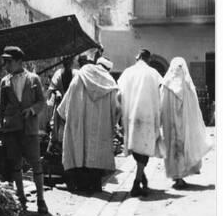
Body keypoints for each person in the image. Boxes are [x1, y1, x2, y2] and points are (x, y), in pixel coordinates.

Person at [0, 46, 49, 214]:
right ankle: (21, 198)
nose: (6, 65)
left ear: (20, 62)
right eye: (5, 62)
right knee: (15, 164)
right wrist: (1, 126)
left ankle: (41, 200)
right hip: (12, 129)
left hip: (29, 129)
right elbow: (1, 107)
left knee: (36, 163)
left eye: (9, 62)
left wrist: (32, 110)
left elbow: (42, 102)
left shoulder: (33, 79)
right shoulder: (5, 81)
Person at [57, 56, 119, 194]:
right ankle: (95, 185)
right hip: (100, 127)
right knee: (96, 153)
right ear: (108, 69)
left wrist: (65, 117)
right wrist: (113, 125)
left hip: (78, 123)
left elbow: (67, 101)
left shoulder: (80, 76)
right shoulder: (110, 84)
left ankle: (80, 186)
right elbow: (116, 109)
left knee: (79, 150)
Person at [117, 49, 164, 197]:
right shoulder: (153, 73)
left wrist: (123, 111)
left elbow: (119, 96)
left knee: (137, 149)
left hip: (132, 116)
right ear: (148, 59)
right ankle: (137, 182)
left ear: (138, 57)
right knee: (145, 149)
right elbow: (161, 94)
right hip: (148, 116)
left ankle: (140, 179)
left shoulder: (127, 72)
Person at [160, 57, 212, 188]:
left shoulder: (165, 84)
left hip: (170, 126)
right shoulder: (187, 85)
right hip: (183, 125)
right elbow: (195, 108)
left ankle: (176, 176)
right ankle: (179, 177)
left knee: (173, 149)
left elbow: (160, 106)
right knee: (181, 148)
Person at [46, 55, 78, 153]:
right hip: (60, 106)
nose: (67, 63)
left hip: (73, 106)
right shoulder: (58, 74)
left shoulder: (77, 74)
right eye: (65, 61)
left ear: (72, 62)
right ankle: (55, 149)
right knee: (57, 128)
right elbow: (51, 88)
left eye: (69, 61)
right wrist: (56, 92)